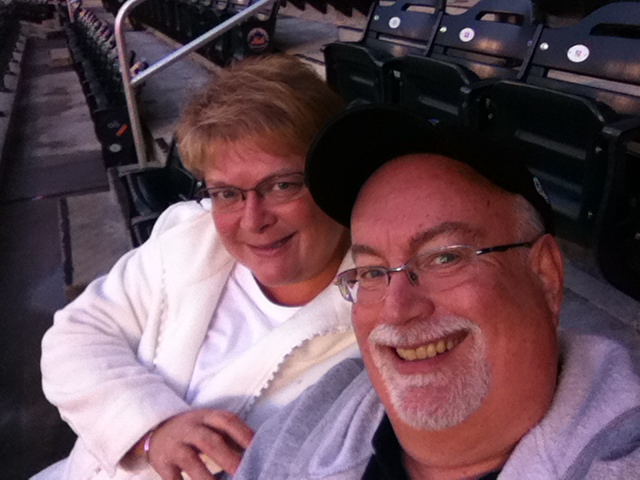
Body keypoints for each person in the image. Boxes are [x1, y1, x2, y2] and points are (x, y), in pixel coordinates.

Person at [233, 104, 640, 479]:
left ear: (545, 275)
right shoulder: (326, 405)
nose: (396, 309)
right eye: (372, 271)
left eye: (444, 257)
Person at [34, 54, 359, 480]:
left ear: (336, 175)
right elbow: (76, 334)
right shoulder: (189, 238)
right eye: (227, 193)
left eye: (282, 185)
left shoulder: (377, 318)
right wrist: (150, 428)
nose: (253, 220)